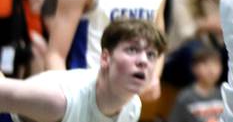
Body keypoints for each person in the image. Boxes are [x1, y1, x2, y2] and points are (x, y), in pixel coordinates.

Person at [0, 18, 166, 122]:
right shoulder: (59, 100)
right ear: (105, 58)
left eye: (151, 55)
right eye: (132, 50)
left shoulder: (132, 106)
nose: (143, 61)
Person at [167, 43, 224, 122]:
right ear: (194, 68)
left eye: (215, 64)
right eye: (206, 64)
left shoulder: (224, 95)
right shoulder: (185, 97)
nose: (211, 69)